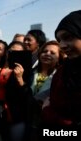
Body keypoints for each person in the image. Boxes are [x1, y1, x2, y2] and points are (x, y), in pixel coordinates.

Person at [41, 10, 81, 140]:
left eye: (68, 37)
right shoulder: (63, 72)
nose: (62, 45)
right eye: (60, 40)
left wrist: (47, 112)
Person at [26, 40, 65, 141]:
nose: (47, 54)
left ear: (59, 57)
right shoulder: (28, 73)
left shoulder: (62, 78)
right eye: (45, 51)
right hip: (26, 122)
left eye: (52, 53)